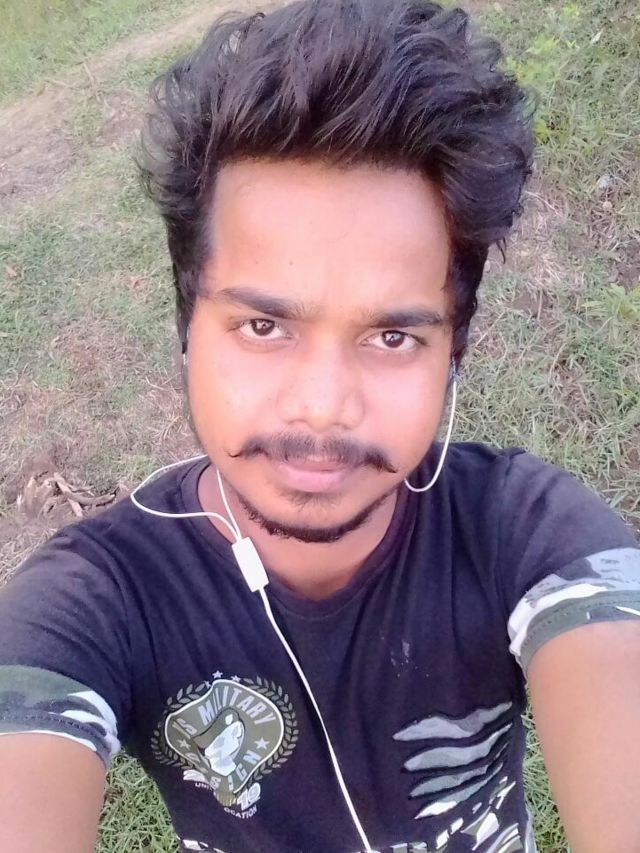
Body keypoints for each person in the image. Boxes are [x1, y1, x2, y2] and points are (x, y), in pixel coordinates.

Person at [0, 0, 638, 851]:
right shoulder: (100, 598)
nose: (323, 405)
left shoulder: (524, 535)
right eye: (264, 326)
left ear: (454, 351)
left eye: (392, 336)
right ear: (188, 326)